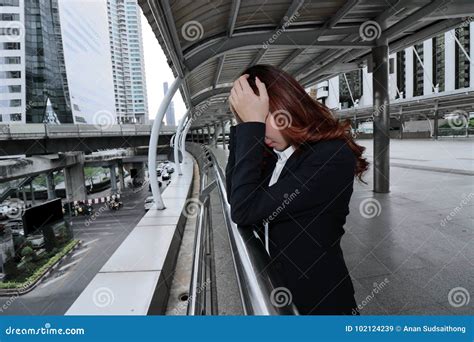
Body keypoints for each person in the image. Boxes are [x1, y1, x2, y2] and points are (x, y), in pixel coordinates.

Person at [225, 64, 368, 315]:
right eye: (250, 120)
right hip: (282, 297)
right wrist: (243, 126)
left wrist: (251, 129)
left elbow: (243, 209)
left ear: (286, 107)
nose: (258, 130)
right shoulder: (276, 155)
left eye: (260, 117)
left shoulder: (330, 157)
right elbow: (235, 192)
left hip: (321, 307)